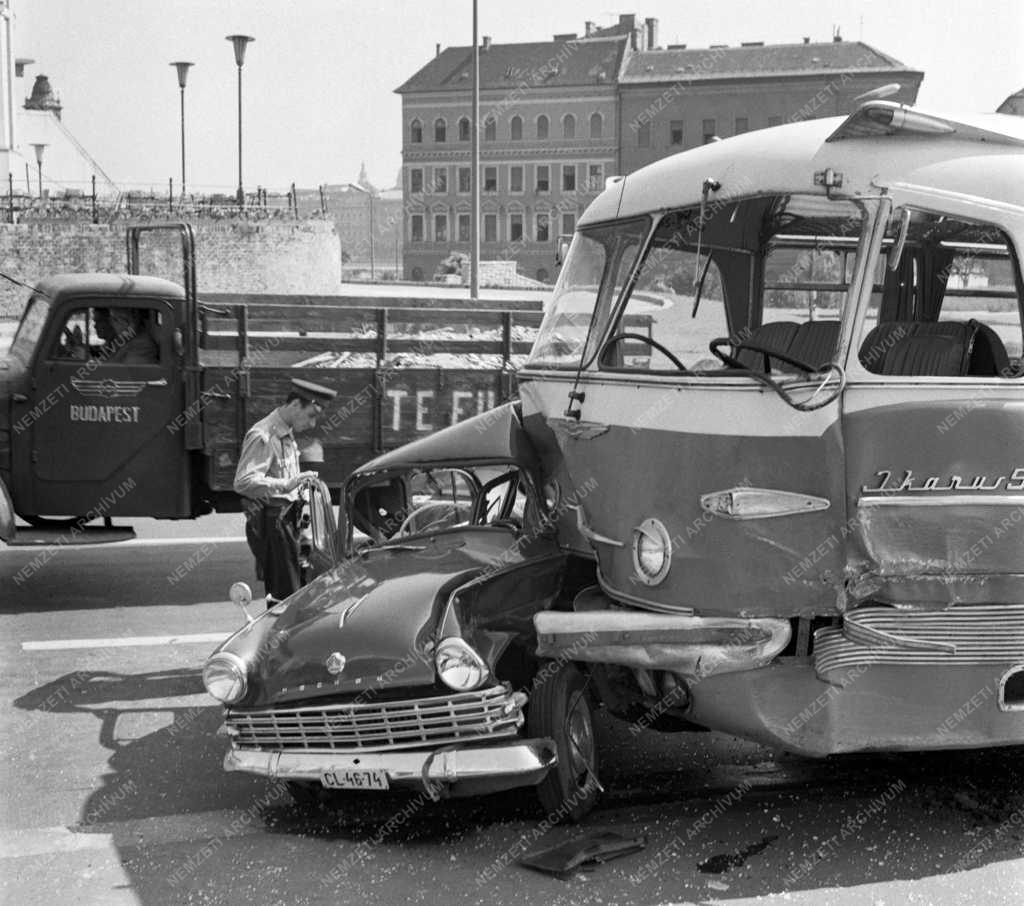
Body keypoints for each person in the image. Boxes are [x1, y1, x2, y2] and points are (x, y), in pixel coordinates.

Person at [234, 378, 337, 605]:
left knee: (297, 590)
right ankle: (278, 640)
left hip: (288, 520)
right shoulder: (264, 434)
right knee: (283, 597)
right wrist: (286, 484)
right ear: (295, 405)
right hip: (273, 522)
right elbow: (243, 482)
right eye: (311, 415)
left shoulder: (285, 432)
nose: (312, 424)